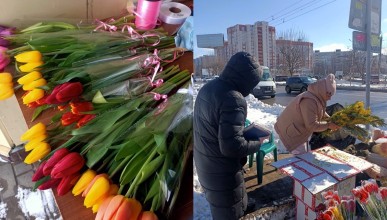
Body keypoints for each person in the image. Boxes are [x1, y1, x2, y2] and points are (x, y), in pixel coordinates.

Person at [193, 52, 269, 220]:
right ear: (247, 80)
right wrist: (257, 142)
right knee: (228, 212)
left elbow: (216, 129)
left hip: (207, 164)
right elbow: (232, 147)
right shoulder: (233, 99)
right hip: (223, 176)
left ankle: (242, 205)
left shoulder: (209, 87)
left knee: (224, 206)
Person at [274, 73, 341, 155]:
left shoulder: (316, 96)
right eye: (329, 94)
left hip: (296, 129)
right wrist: (328, 125)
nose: (330, 98)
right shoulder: (309, 101)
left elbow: (320, 110)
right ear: (323, 90)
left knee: (304, 156)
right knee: (301, 159)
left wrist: (329, 118)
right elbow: (312, 125)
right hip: (291, 132)